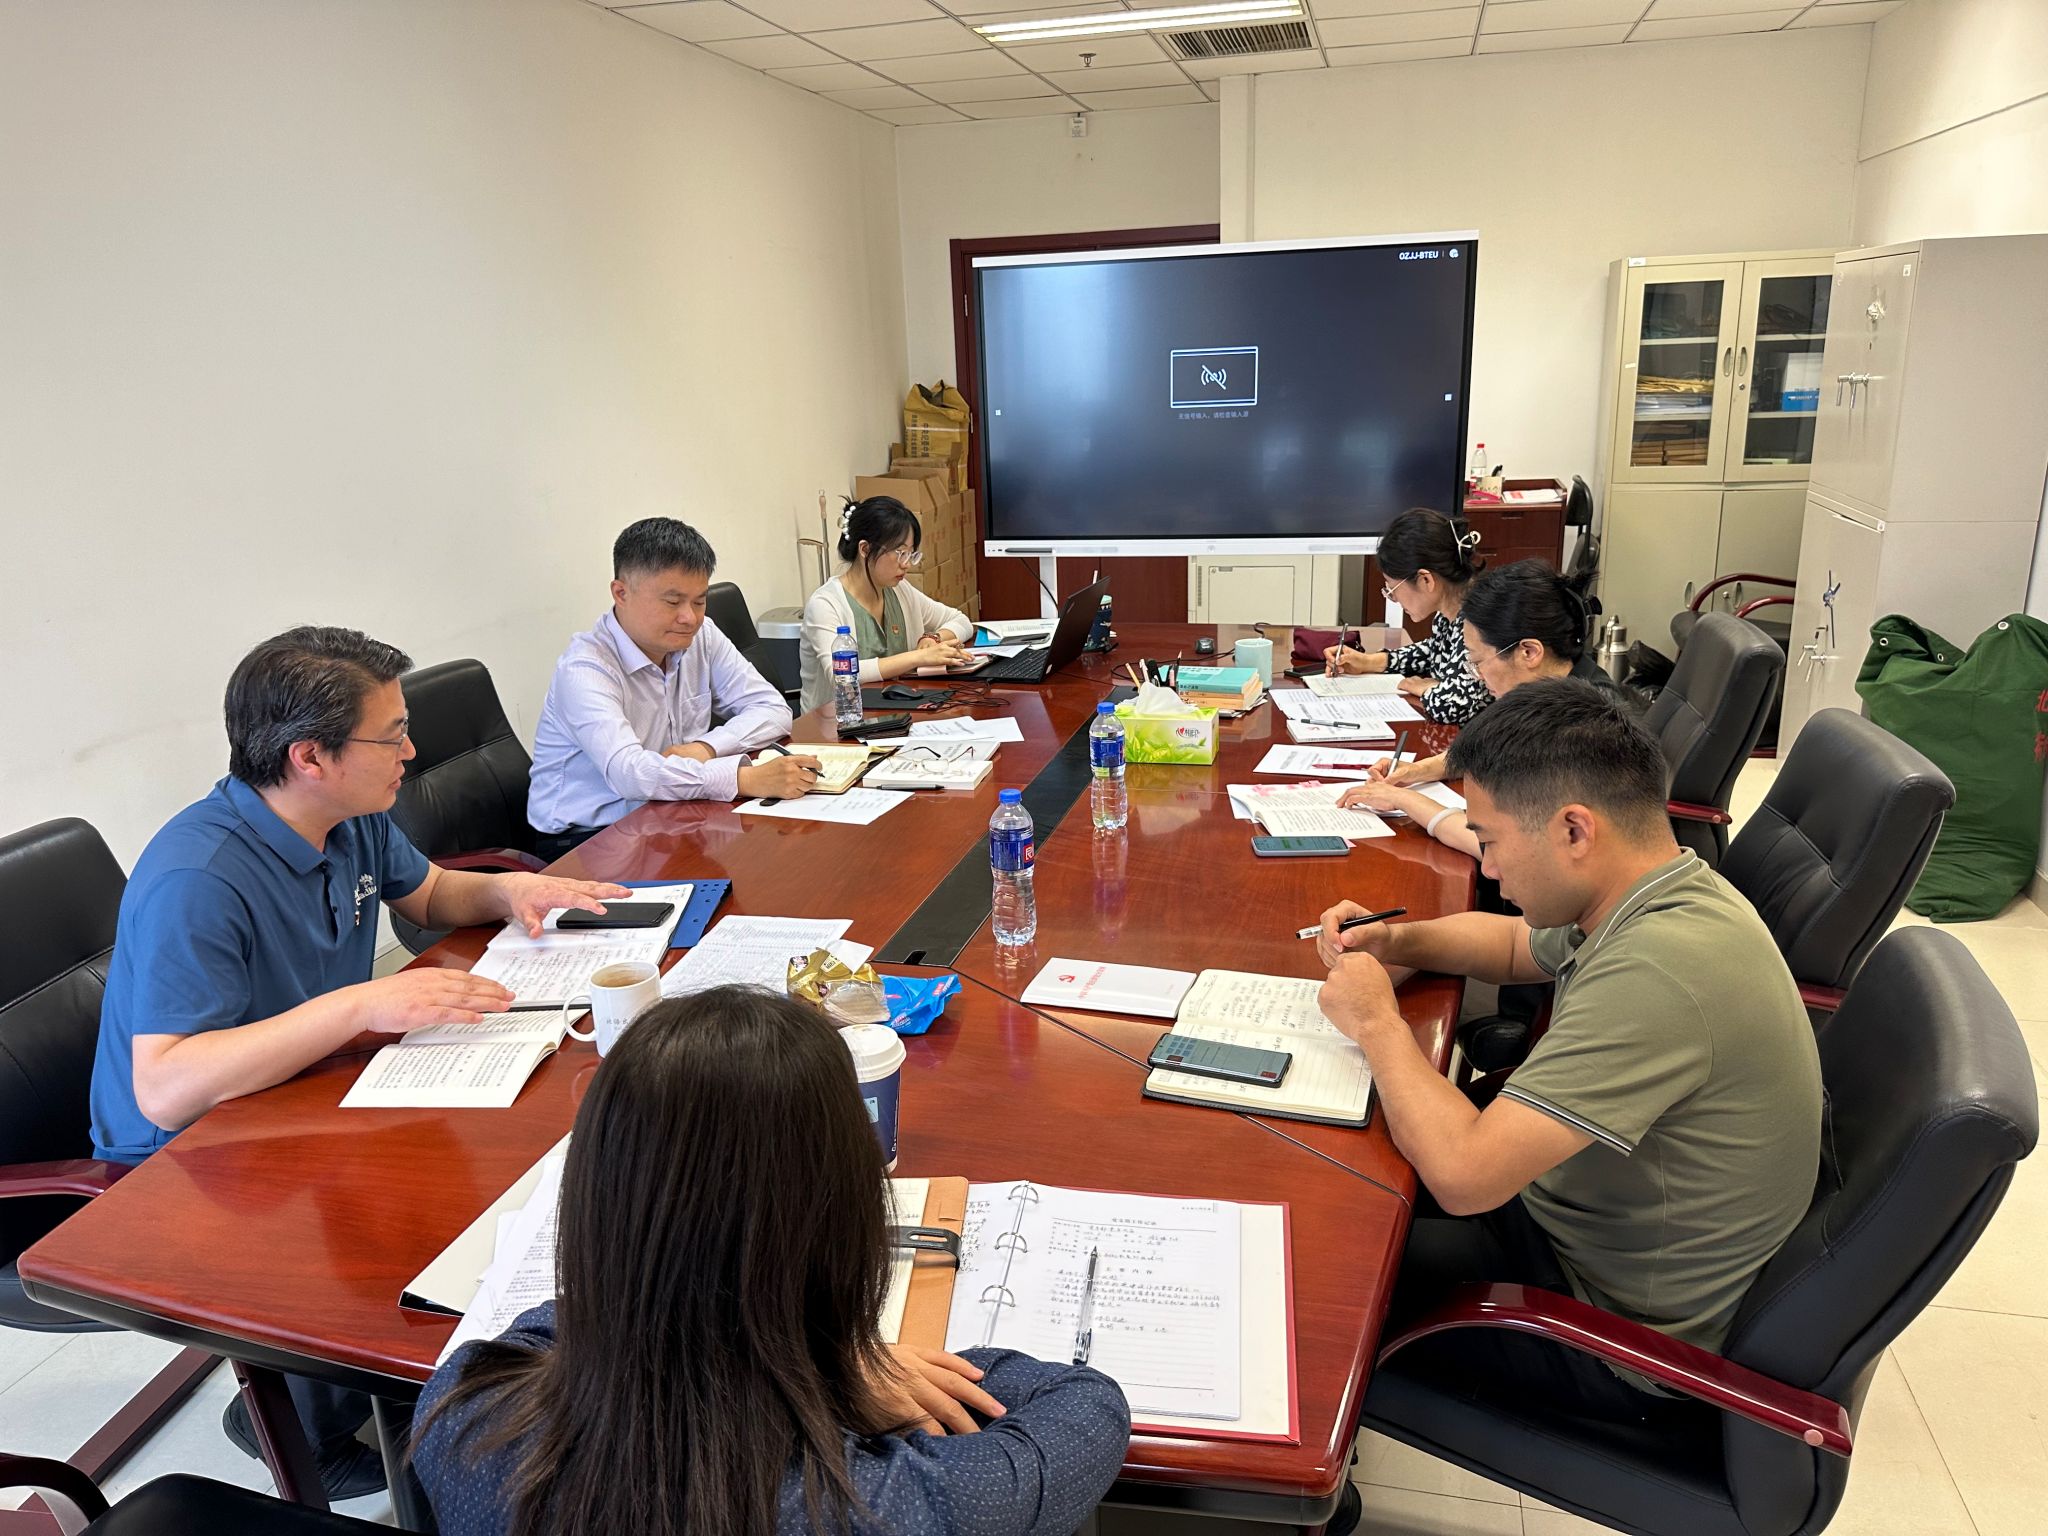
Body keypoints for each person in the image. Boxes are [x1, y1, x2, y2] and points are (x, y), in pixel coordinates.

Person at [89, 625, 630, 1499]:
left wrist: (507, 890)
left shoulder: (348, 818)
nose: (411, 753)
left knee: (507, 1137)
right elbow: (167, 1087)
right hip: (186, 1152)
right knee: (416, 1189)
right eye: (393, 735)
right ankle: (311, 1418)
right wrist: (358, 1005)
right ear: (310, 756)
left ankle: (403, 1384)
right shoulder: (200, 876)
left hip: (305, 1082)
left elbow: (429, 892)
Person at [412, 986, 1131, 1536]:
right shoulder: (880, 1505)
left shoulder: (459, 1416)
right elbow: (1088, 1407)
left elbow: (560, 1321)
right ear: (844, 1232)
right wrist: (843, 1370)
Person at [1313, 681, 1820, 1435]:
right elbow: (1515, 945)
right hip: (1580, 1221)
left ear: (1574, 830)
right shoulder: (1660, 888)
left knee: (1318, 1263)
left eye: (1489, 841)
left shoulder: (1662, 971)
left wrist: (1377, 1021)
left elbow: (1465, 1176)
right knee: (1344, 1165)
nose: (1487, 870)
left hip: (1610, 1337)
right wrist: (1396, 940)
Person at [528, 518, 814, 856]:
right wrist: (742, 779)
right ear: (621, 593)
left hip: (671, 813)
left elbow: (773, 708)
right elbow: (630, 774)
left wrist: (706, 748)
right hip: (587, 842)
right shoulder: (585, 669)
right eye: (672, 601)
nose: (690, 617)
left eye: (699, 601)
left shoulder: (702, 635)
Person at [1337, 560, 1633, 858]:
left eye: (1478, 662)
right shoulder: (1547, 687)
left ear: (1528, 652)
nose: (1476, 676)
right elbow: (1487, 751)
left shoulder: (1581, 725)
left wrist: (1403, 800)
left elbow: (1506, 849)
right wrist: (1416, 771)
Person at [799, 495, 974, 714]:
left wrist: (932, 639)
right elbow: (842, 675)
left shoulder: (900, 591)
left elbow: (961, 621)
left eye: (911, 554)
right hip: (835, 723)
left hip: (900, 714)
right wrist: (919, 657)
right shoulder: (826, 604)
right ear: (865, 549)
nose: (907, 564)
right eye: (900, 553)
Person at [1322, 508, 1488, 724]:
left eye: (1392, 589)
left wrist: (1425, 688)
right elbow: (1434, 652)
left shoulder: (1479, 622)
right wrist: (1369, 661)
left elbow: (1452, 706)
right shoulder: (1449, 612)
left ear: (1425, 580)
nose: (1393, 599)